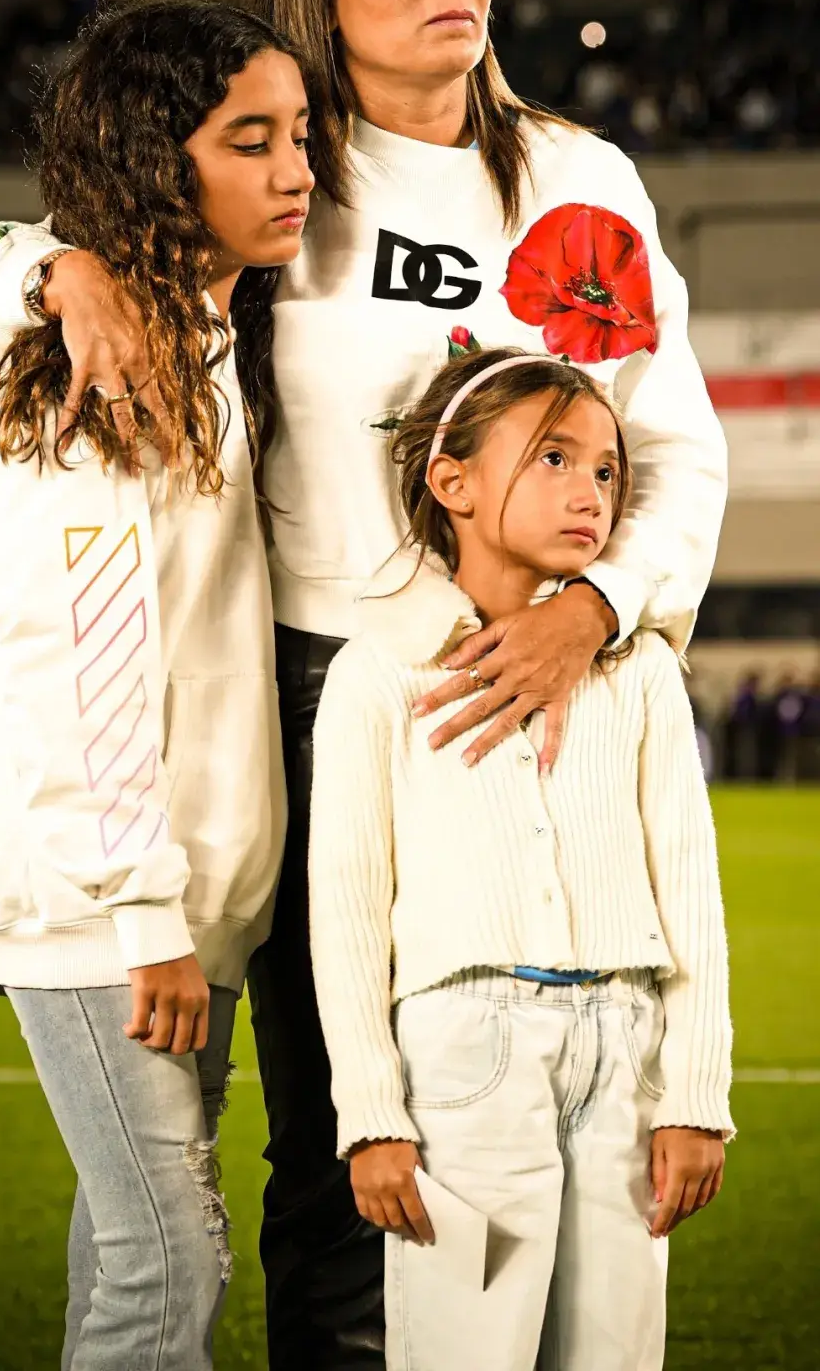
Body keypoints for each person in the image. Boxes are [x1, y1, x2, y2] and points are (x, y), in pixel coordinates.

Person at [0, 0, 727, 1369]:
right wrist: (54, 271)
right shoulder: (272, 163)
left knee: (552, 1129)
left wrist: (595, 610)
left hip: (540, 684)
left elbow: (673, 445)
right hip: (311, 694)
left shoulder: (569, 181)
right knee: (346, 1148)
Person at [0, 0, 313, 1371]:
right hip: (108, 908)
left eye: (299, 135)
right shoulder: (99, 375)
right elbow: (74, 667)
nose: (294, 170)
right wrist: (146, 908)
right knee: (168, 1269)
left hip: (171, 901)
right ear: (161, 162)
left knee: (128, 1254)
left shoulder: (205, 336)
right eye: (250, 140)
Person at [309, 347, 734, 1371]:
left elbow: (689, 882)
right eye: (554, 456)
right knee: (469, 1346)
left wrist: (693, 1093)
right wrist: (370, 1113)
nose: (591, 491)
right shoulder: (381, 671)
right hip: (467, 1053)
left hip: (626, 1047)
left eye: (605, 470)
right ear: (450, 481)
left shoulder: (639, 672)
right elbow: (350, 904)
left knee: (615, 1351)